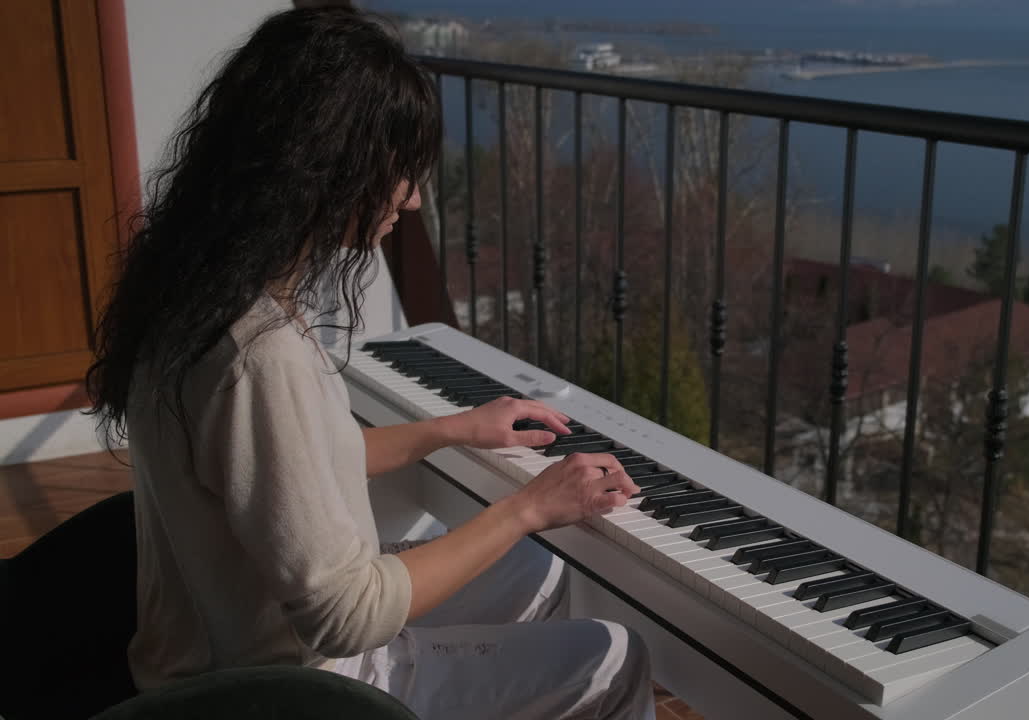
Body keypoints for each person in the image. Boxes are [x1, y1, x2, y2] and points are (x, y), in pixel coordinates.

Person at [86, 7, 654, 719]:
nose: (412, 199)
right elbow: (346, 616)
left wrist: (455, 429)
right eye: (400, 174)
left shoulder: (195, 290)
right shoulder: (257, 352)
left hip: (211, 652)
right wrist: (529, 506)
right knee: (615, 656)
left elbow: (291, 468)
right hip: (280, 693)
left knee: (534, 571)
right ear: (327, 167)